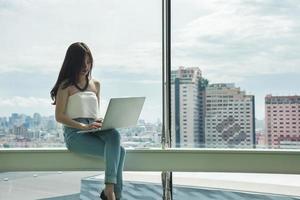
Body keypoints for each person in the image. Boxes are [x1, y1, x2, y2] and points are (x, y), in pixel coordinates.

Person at [50, 42, 126, 200]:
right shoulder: (65, 86)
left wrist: (102, 122)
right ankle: (113, 194)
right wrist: (83, 126)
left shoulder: (96, 84)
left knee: (115, 135)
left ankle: (109, 191)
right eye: (81, 62)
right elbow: (59, 116)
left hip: (94, 129)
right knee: (121, 152)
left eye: (88, 61)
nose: (86, 66)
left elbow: (95, 113)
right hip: (75, 134)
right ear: (73, 63)